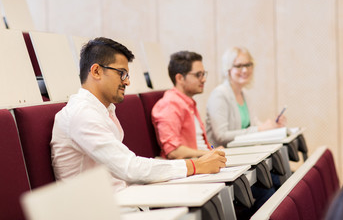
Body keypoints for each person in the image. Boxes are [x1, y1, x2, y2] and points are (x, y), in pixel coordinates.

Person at [50, 38, 226, 192]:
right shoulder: (81, 114)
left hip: (124, 199)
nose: (127, 81)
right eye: (122, 73)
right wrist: (195, 166)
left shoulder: (102, 110)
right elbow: (129, 168)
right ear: (96, 71)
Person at [206, 46, 286, 148]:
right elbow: (221, 136)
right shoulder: (219, 94)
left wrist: (272, 127)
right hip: (224, 157)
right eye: (239, 66)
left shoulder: (244, 94)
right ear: (228, 69)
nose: (245, 70)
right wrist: (260, 129)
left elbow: (253, 125)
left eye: (248, 65)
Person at [152, 51, 221, 159]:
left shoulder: (188, 103)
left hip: (203, 162)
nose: (203, 79)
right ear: (180, 78)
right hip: (193, 168)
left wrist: (213, 150)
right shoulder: (169, 105)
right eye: (198, 75)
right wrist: (208, 153)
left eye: (203, 74)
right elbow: (173, 151)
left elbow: (202, 145)